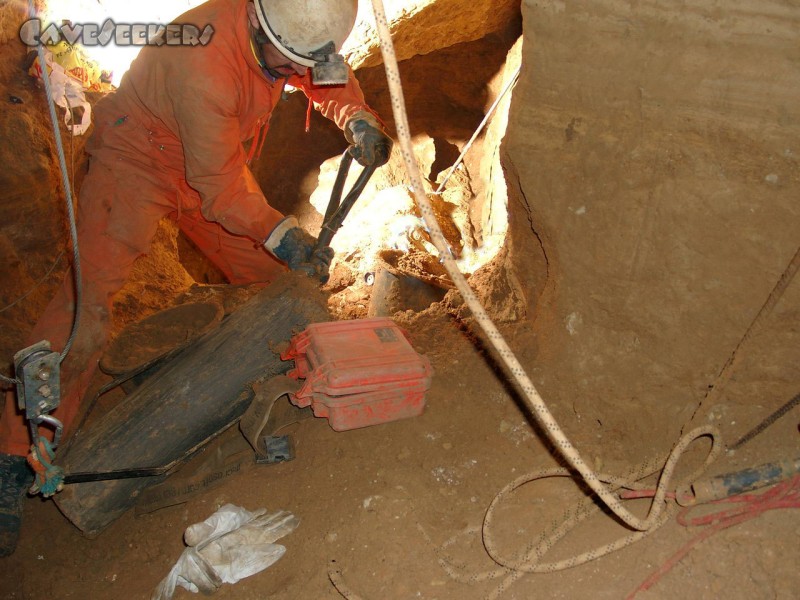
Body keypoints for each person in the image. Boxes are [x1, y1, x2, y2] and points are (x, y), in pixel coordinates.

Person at [0, 0, 392, 556]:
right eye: (282, 66)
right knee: (84, 312)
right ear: (256, 24)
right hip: (137, 160)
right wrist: (283, 232)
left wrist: (356, 114)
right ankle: (13, 459)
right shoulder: (204, 58)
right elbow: (222, 189)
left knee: (277, 280)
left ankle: (271, 379)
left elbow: (322, 72)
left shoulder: (296, 22)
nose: (290, 75)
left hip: (207, 161)